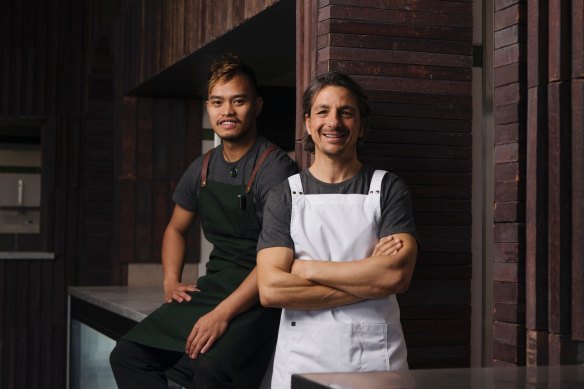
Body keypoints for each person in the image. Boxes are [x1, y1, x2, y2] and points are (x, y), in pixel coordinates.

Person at [110, 54, 298, 389]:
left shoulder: (275, 169)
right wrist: (171, 280)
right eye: (217, 102)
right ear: (208, 108)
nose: (227, 111)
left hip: (259, 297)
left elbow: (276, 263)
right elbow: (175, 228)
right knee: (127, 356)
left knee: (209, 373)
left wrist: (222, 315)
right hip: (213, 287)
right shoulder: (202, 168)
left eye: (238, 101)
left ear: (256, 106)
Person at [256, 71, 418, 389]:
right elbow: (272, 289)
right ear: (307, 123)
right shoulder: (284, 195)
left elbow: (395, 277)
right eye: (323, 111)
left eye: (346, 112)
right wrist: (369, 281)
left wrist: (305, 268)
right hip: (301, 361)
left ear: (360, 125)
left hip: (375, 361)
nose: (334, 122)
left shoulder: (388, 188)